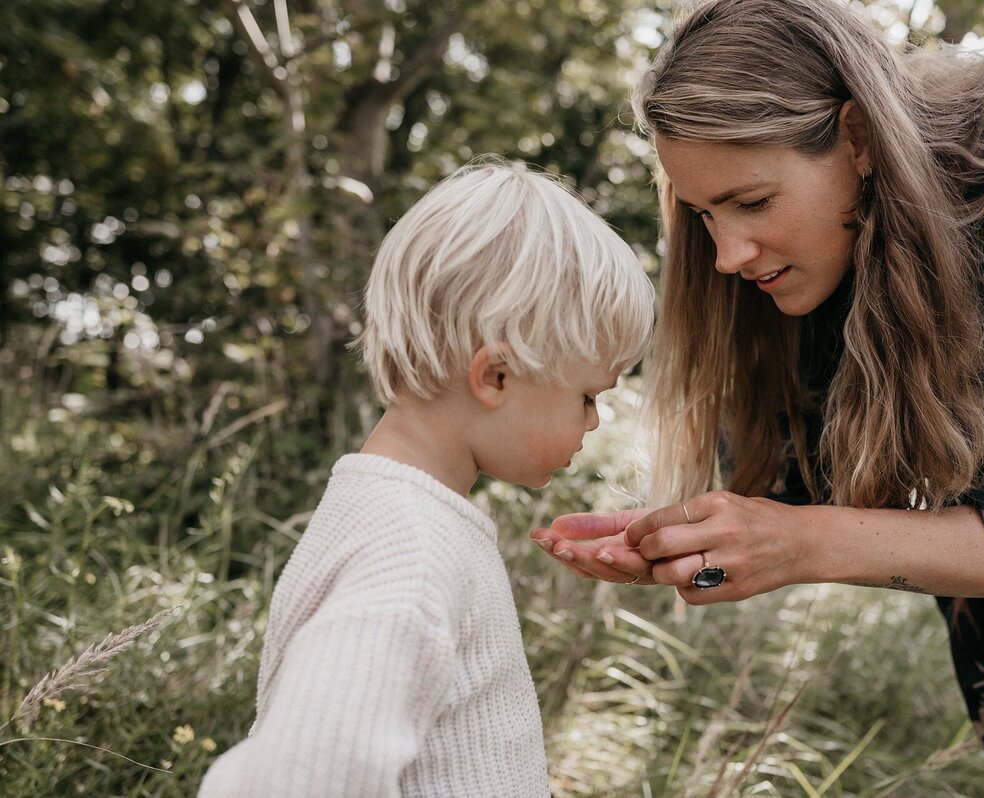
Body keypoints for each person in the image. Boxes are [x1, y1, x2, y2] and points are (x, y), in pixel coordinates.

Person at [530, 0, 984, 793]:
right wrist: (684, 541)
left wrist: (804, 544)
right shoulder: (817, 255)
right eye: (704, 213)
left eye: (751, 203)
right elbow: (802, 487)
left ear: (857, 137)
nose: (726, 254)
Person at [198, 161, 655, 797]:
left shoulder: (383, 509)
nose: (594, 421)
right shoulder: (413, 552)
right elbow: (294, 776)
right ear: (495, 376)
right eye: (586, 395)